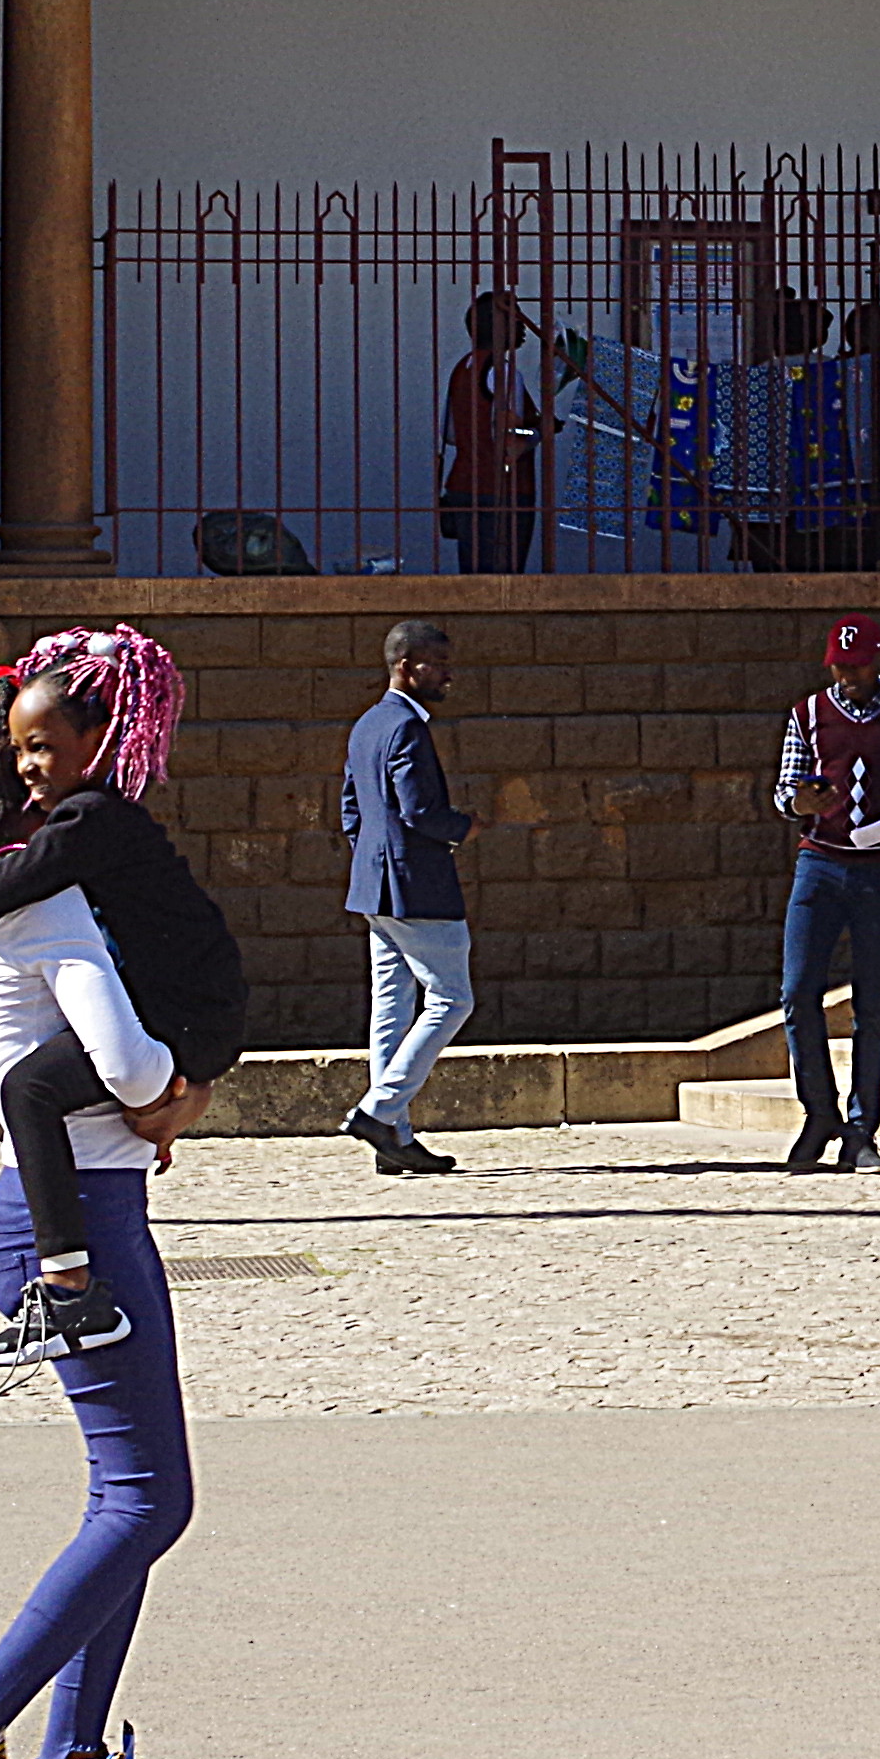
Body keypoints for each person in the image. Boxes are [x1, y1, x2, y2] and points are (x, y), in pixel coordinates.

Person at [0, 639, 233, 1759]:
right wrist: (176, 1093)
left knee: (128, 1502)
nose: (49, 778)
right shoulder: (50, 891)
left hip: (79, 1204)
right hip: (72, 1220)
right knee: (150, 1499)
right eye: (31, 755)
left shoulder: (20, 873)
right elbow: (131, 1063)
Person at [0, 628, 244, 1372]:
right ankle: (69, 1286)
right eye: (18, 752)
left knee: (30, 1087)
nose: (28, 767)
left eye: (42, 747)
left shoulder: (91, 819)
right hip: (195, 1011)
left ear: (98, 739)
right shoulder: (100, 820)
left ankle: (70, 1287)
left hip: (187, 1015)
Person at [774, 615, 880, 1172]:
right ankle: (818, 1111)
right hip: (820, 862)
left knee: (873, 1000)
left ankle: (862, 1126)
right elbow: (785, 791)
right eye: (840, 666)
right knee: (798, 992)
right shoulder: (808, 715)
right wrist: (805, 803)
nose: (848, 674)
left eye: (857, 664)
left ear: (876, 661)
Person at [337, 619, 473, 1176]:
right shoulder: (407, 728)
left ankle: (394, 1137)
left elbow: (352, 809)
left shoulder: (368, 724)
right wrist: (465, 827)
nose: (447, 675)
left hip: (374, 885)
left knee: (390, 1008)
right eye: (436, 665)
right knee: (451, 999)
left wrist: (373, 856)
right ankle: (379, 1111)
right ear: (405, 666)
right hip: (417, 885)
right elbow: (421, 812)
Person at [434, 288, 541, 572]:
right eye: (515, 319)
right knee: (504, 574)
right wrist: (539, 432)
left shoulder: (462, 369)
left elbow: (450, 435)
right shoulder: (505, 373)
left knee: (474, 572)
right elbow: (512, 439)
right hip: (504, 489)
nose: (523, 325)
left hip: (463, 484)